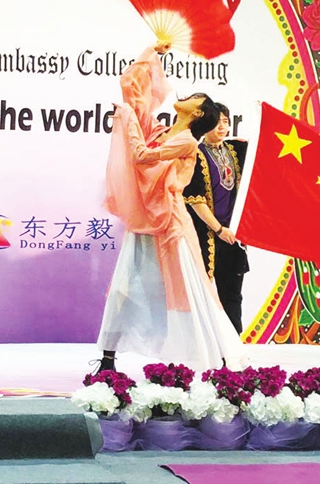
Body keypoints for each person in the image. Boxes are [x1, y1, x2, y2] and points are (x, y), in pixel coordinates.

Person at [95, 42, 246, 373]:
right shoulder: (163, 132)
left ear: (196, 112)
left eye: (195, 97)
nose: (186, 95)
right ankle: (107, 357)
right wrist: (152, 55)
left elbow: (140, 156)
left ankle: (210, 356)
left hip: (169, 224)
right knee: (125, 284)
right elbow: (134, 95)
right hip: (148, 220)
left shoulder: (186, 141)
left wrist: (126, 118)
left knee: (187, 291)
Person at [184, 103, 249, 334]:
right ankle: (206, 349)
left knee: (233, 295)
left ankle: (233, 351)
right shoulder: (195, 153)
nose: (222, 126)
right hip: (206, 236)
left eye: (225, 121)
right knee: (204, 295)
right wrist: (219, 229)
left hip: (235, 237)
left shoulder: (237, 151)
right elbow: (195, 199)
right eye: (217, 121)